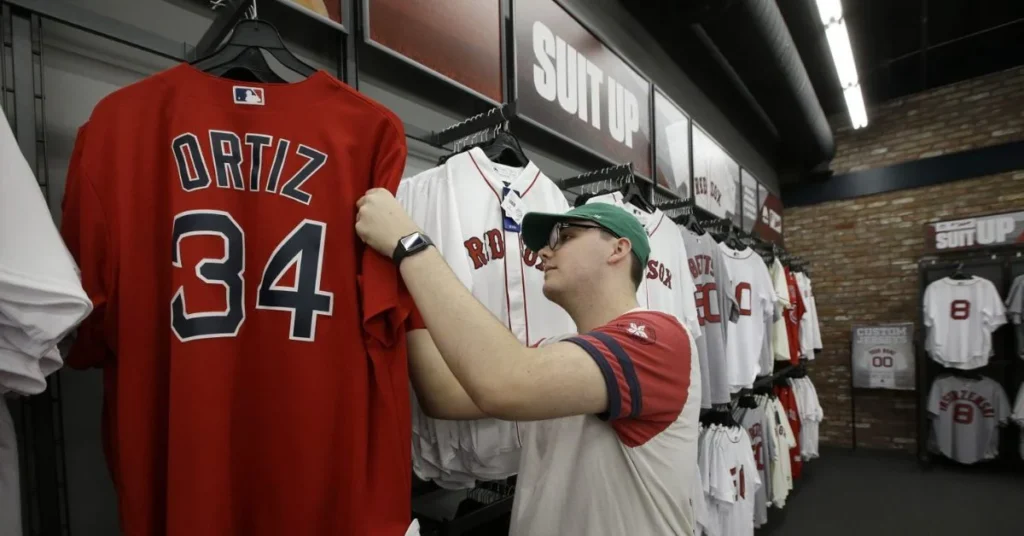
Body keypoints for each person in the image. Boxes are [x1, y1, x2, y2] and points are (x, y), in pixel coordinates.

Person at [356, 189, 702, 535]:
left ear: (618, 249)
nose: (543, 253)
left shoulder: (659, 338)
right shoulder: (556, 350)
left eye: (565, 237)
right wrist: (402, 287)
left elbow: (505, 382)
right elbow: (442, 395)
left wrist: (410, 245)